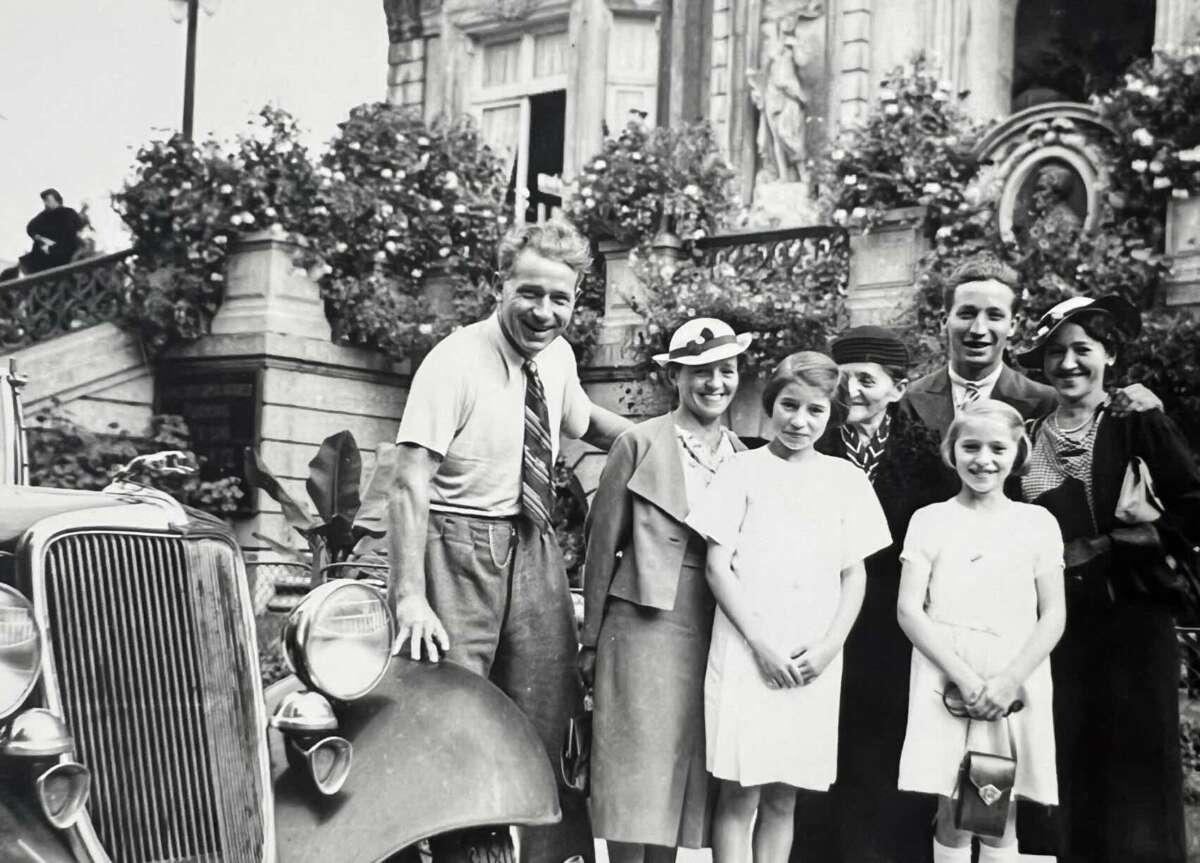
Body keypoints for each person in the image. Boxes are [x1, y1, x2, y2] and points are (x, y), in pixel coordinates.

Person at [386, 219, 632, 863]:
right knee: (455, 713)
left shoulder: (559, 357)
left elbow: (586, 422)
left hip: (533, 543)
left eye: (560, 298)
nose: (544, 311)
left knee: (549, 710)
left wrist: (669, 439)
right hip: (456, 544)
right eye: (529, 293)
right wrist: (409, 596)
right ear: (500, 285)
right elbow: (408, 482)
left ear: (576, 300)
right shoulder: (455, 360)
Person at [1014, 295, 1200, 863]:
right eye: (1055, 353)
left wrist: (1109, 544)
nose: (1068, 363)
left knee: (1134, 771)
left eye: (1082, 349)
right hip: (1056, 629)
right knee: (1065, 762)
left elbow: (1192, 507)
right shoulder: (1027, 434)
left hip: (1131, 620)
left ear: (1109, 354)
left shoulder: (1136, 420)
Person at [685, 351, 891, 863]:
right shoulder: (740, 471)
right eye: (789, 406)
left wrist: (828, 648)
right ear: (770, 405)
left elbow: (854, 574)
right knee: (740, 793)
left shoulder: (846, 480)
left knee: (783, 797)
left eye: (815, 410)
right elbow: (717, 568)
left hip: (811, 656)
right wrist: (761, 647)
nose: (800, 421)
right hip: (747, 650)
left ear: (831, 415)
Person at [580, 318, 752, 863]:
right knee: (636, 764)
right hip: (642, 624)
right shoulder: (637, 443)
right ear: (673, 376)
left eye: (726, 371)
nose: (714, 384)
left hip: (715, 622)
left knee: (684, 764)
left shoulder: (745, 455)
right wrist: (590, 640)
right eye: (700, 372)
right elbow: (600, 547)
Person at [791, 326, 953, 863]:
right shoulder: (811, 446)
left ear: (898, 388)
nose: (851, 391)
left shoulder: (928, 459)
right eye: (842, 379)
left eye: (866, 379)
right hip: (821, 625)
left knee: (886, 759)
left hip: (893, 630)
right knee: (817, 760)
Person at [897, 399, 1066, 863]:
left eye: (997, 448)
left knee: (995, 806)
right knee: (953, 807)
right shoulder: (930, 519)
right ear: (951, 450)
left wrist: (1008, 681)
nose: (983, 459)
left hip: (1012, 677)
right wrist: (966, 680)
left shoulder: (1036, 523)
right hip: (947, 675)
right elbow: (909, 610)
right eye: (970, 447)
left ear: (1018, 453)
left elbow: (1053, 613)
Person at [899, 256, 1158, 439]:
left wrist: (1144, 410)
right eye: (967, 314)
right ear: (944, 321)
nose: (978, 329)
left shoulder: (1048, 403)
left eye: (995, 316)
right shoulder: (907, 401)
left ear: (1012, 325)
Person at [21, 189, 84, 273]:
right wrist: (41, 239)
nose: (45, 203)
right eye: (44, 201)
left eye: (48, 200)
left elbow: (79, 228)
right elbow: (30, 228)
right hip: (46, 253)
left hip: (66, 249)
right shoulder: (42, 216)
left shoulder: (69, 212)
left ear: (56, 199)